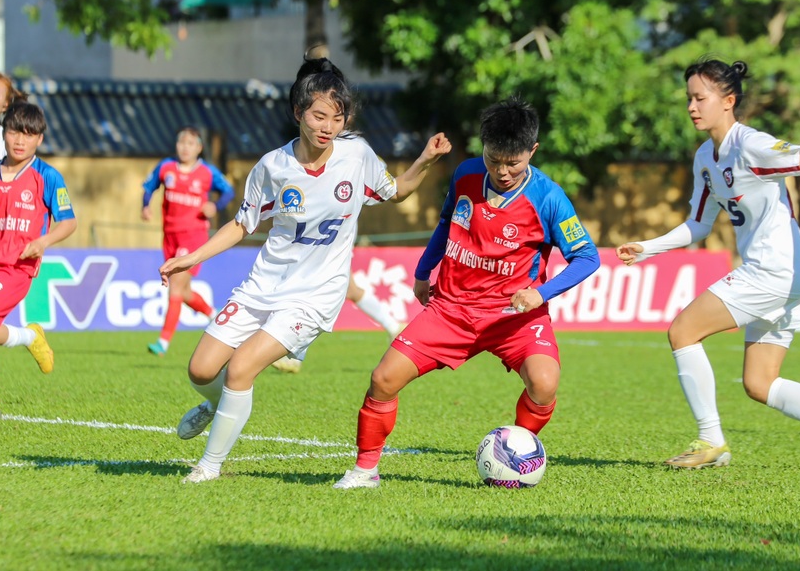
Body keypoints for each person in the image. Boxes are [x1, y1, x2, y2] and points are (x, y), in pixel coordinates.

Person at [161, 56, 450, 483]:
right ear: (299, 113)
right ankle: (216, 404)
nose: (327, 125)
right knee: (201, 370)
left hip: (315, 295)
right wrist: (192, 257)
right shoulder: (272, 167)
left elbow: (397, 191)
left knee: (241, 368)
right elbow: (243, 224)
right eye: (318, 115)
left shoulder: (356, 156)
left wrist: (425, 158)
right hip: (263, 285)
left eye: (337, 117)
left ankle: (209, 466)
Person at [615, 58, 800, 474]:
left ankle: (711, 439)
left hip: (772, 272)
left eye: (700, 98)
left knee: (682, 331)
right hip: (786, 276)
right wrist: (650, 248)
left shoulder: (752, 144)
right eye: (688, 98)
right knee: (760, 384)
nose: (691, 106)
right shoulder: (706, 157)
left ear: (729, 100)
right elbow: (699, 225)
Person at [333, 96, 601, 490]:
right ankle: (364, 470)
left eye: (514, 162)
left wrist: (540, 294)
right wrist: (424, 272)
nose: (503, 171)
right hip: (451, 309)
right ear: (483, 147)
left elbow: (587, 257)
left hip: (513, 317)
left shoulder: (548, 197)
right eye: (495, 159)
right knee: (383, 379)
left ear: (532, 150)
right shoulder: (466, 174)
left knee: (544, 384)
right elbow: (446, 223)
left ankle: (518, 457)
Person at [0, 102, 77, 420]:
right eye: (14, 131)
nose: (20, 140)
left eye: (29, 134)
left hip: (15, 268)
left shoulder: (47, 177)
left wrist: (43, 241)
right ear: (4, 133)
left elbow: (68, 222)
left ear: (39, 139)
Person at [142, 126, 235, 356]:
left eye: (191, 144)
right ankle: (215, 316)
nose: (185, 148)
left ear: (199, 148)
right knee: (183, 292)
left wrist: (215, 206)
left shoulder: (207, 173)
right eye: (182, 143)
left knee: (175, 284)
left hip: (193, 237)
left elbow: (229, 191)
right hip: (170, 235)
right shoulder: (166, 167)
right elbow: (149, 186)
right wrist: (145, 206)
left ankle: (163, 342)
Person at [270, 277, 405, 373]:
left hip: (329, 243)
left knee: (320, 291)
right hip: (331, 243)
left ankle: (294, 355)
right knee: (350, 289)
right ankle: (393, 327)